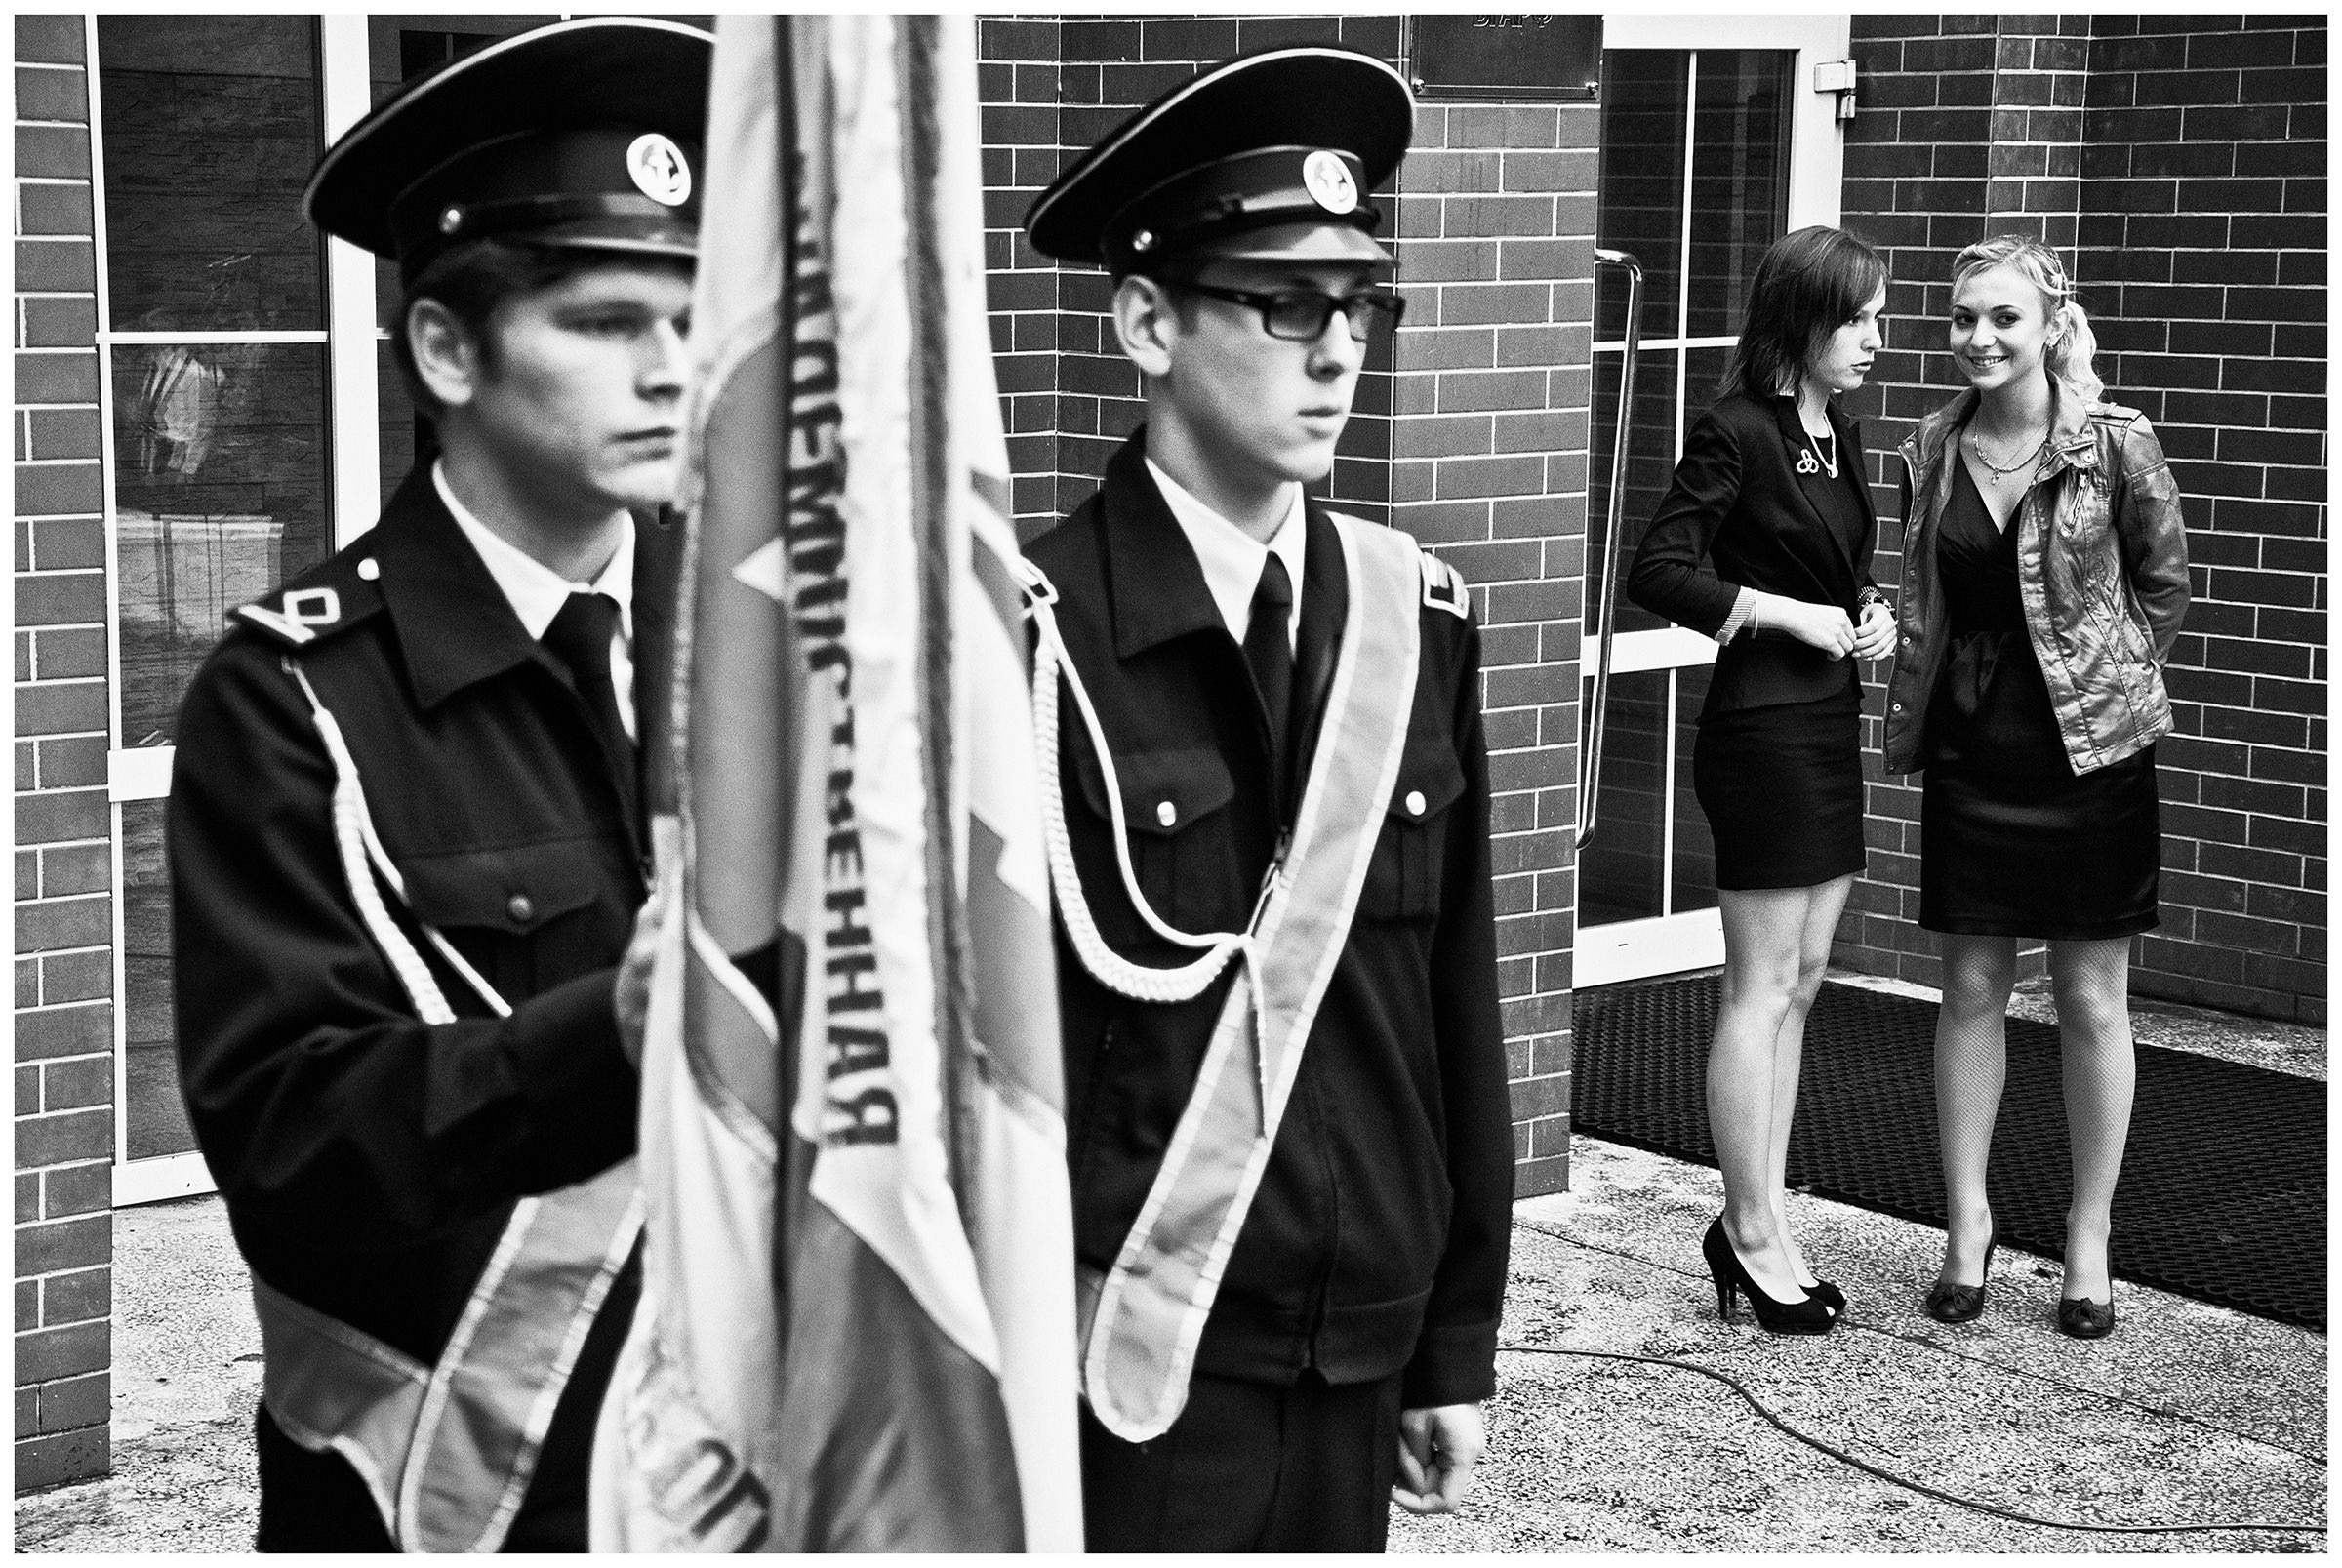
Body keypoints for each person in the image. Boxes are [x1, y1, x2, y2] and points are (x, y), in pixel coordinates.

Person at [165, 18, 709, 1550]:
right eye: (608, 319)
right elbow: (291, 1138)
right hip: (458, 1495)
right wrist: (605, 1038)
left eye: (689, 313)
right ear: (447, 348)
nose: (672, 367)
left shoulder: (754, 662)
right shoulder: (293, 702)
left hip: (744, 1470)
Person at [1018, 47, 1514, 1553]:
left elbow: (1454, 998)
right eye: (1284, 302)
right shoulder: (1026, 639)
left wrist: (1452, 1341)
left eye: (1364, 304)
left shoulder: (1411, 613)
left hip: (1358, 1351)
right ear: (1148, 321)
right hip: (1123, 1370)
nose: (1337, 349)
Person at [1884, 235, 2189, 1339]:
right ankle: (1967, 1227)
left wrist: (2107, 681)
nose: (1979, 338)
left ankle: (2088, 1235)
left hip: (2093, 760)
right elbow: (1931, 591)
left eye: (2003, 318)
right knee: (1970, 991)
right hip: (1974, 755)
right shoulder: (1933, 441)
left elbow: (2163, 587)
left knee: (2091, 998)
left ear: (2049, 323)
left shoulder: (2114, 442)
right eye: (1965, 318)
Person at [1626, 226, 1895, 1335]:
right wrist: (1782, 615)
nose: (1878, 339)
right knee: (1760, 982)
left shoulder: (1841, 434)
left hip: (1827, 725)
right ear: (1806, 321)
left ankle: (1769, 1216)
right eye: (1863, 318)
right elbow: (1660, 569)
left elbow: (1839, 566)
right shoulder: (1733, 429)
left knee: (1807, 974)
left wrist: (1869, 614)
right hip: (1763, 731)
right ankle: (1743, 1226)